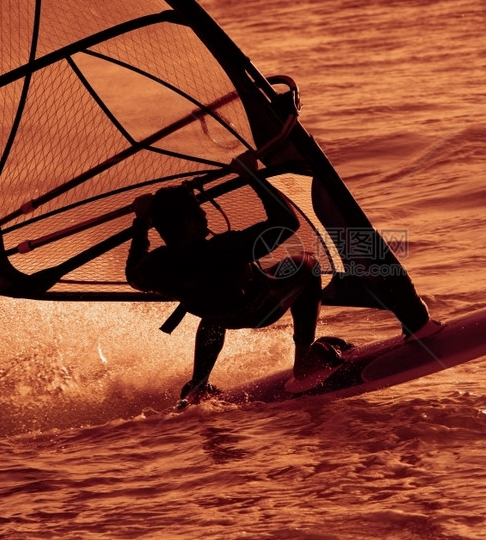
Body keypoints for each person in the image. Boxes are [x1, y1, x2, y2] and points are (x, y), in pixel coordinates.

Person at [126, 154, 346, 406]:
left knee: (213, 312)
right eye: (199, 211)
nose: (205, 216)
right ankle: (303, 362)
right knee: (308, 264)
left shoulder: (157, 265)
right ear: (188, 221)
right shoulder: (224, 248)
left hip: (219, 315)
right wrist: (252, 176)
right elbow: (286, 223)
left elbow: (133, 275)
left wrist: (140, 223)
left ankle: (198, 385)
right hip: (261, 308)